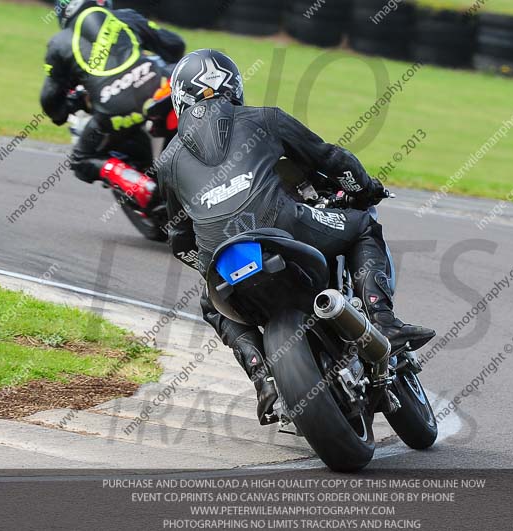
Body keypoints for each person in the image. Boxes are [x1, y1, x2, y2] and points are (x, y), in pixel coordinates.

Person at [159, 49, 435, 423]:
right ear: (233, 87)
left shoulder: (167, 162)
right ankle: (383, 319)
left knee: (211, 302)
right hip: (282, 227)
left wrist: (211, 263)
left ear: (180, 98)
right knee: (362, 225)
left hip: (222, 258)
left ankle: (263, 378)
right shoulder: (265, 118)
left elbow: (179, 240)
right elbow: (332, 159)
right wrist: (366, 189)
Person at [40, 0, 185, 210]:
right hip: (159, 89)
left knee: (81, 159)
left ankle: (140, 185)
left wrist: (68, 106)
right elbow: (174, 45)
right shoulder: (125, 17)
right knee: (186, 81)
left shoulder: (58, 44)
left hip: (115, 113)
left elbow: (50, 101)